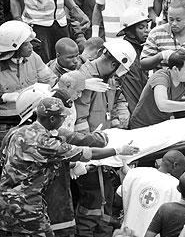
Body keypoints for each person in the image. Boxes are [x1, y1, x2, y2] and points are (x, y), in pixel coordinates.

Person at [0, 96, 139, 237]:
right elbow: (87, 153)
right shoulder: (46, 142)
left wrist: (73, 166)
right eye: (62, 117)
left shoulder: (18, 133)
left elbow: (31, 163)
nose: (64, 120)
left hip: (6, 202)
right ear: (52, 119)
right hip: (26, 204)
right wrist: (118, 150)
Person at [73, 39, 135, 237]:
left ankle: (103, 232)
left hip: (105, 145)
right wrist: (92, 148)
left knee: (105, 198)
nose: (118, 76)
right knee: (93, 201)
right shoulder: (85, 78)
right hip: (91, 152)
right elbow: (79, 120)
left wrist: (119, 119)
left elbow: (118, 99)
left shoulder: (109, 78)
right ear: (115, 64)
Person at [10, 0, 89, 63]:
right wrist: (19, 23)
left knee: (65, 62)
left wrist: (76, 10)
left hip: (60, 25)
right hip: (38, 27)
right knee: (43, 63)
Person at [0, 21, 57, 144]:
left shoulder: (33, 57)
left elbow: (50, 80)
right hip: (6, 123)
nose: (31, 46)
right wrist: (4, 97)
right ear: (14, 48)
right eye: (26, 44)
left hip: (32, 118)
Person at [119, 150, 185, 237]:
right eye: (182, 170)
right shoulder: (176, 186)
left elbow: (122, 194)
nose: (181, 174)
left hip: (127, 232)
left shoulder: (136, 173)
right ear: (175, 165)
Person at [140, 0, 185, 83]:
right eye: (171, 19)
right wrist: (161, 56)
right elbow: (143, 64)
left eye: (178, 20)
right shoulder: (156, 34)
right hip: (164, 91)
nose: (174, 23)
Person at [116, 7, 151, 114]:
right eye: (141, 27)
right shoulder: (122, 51)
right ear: (130, 31)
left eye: (147, 27)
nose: (147, 31)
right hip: (129, 108)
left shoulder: (142, 49)